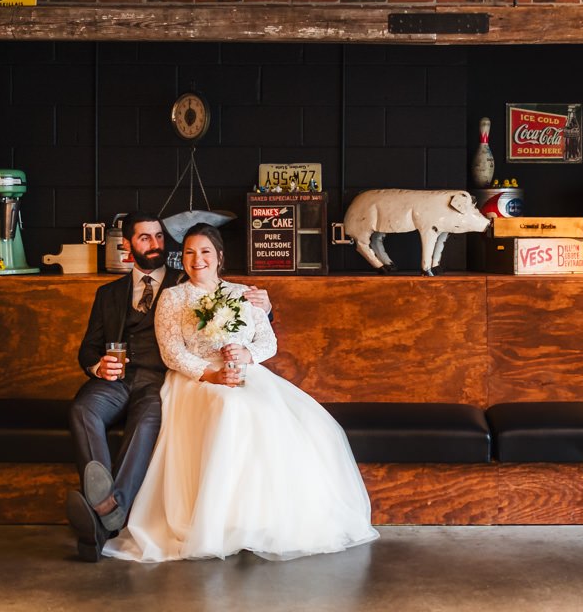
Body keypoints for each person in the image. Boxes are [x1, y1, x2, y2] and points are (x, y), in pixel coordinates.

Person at [103, 223, 378, 562]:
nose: (196, 259)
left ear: (219, 257)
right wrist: (212, 374)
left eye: (204, 252)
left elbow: (267, 341)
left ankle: (259, 518)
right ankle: (217, 521)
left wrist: (246, 355)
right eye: (189, 253)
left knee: (295, 420)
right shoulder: (173, 298)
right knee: (228, 407)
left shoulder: (244, 293)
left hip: (245, 373)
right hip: (196, 379)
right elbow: (171, 352)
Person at [65, 212, 272, 562]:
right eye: (145, 238)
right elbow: (88, 346)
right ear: (128, 246)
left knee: (147, 423)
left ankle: (103, 521)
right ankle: (106, 506)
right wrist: (98, 365)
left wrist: (267, 308)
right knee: (82, 409)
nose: (155, 244)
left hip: (156, 380)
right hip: (116, 380)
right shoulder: (108, 293)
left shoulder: (187, 278)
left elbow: (234, 306)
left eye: (160, 237)